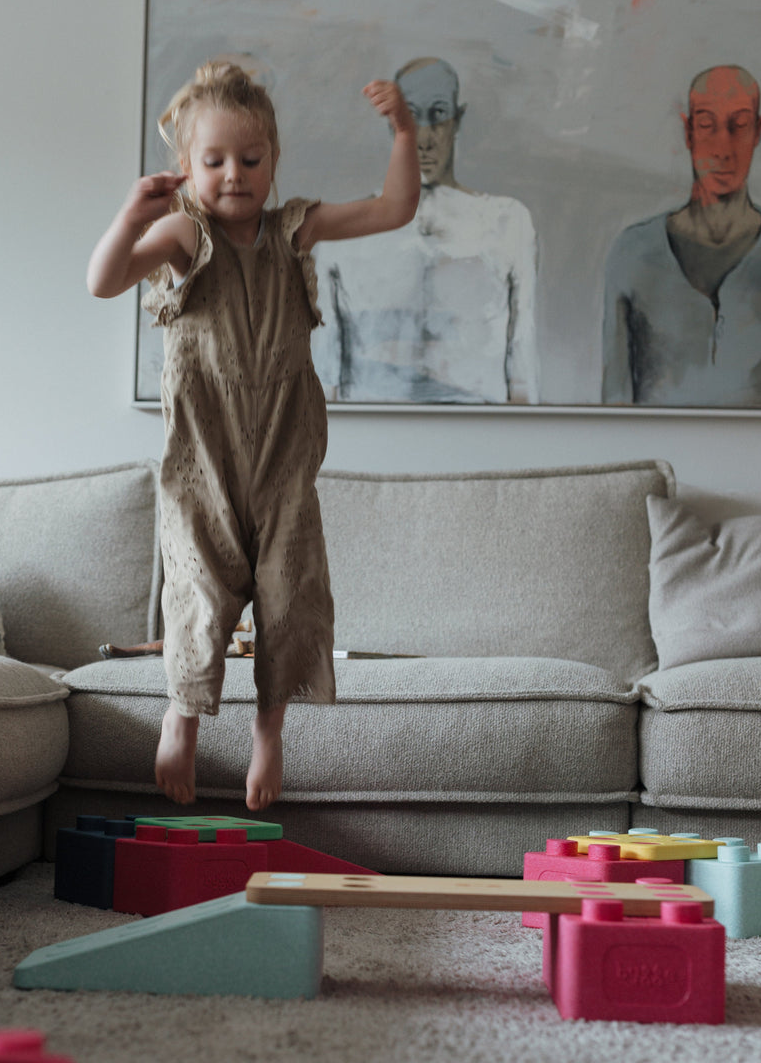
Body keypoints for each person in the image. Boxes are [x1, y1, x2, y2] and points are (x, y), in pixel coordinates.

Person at [87, 59, 419, 811]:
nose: (234, 175)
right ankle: (184, 714)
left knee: (288, 599)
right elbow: (102, 282)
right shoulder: (182, 234)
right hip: (202, 460)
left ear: (273, 161)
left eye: (251, 159)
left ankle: (269, 735)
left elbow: (393, 208)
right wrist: (130, 219)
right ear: (186, 168)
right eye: (214, 161)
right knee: (198, 590)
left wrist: (402, 131)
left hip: (282, 460)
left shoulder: (295, 231)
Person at [312, 56, 538, 405]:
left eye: (439, 115)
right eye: (412, 116)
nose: (425, 138)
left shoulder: (508, 222)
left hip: (481, 437)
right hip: (376, 440)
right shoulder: (342, 237)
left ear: (457, 121)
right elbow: (324, 378)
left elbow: (522, 368)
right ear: (393, 123)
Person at [602, 64, 761, 406]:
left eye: (738, 126)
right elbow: (614, 404)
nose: (722, 148)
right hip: (660, 455)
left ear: (758, 130)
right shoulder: (632, 253)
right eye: (707, 125)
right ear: (688, 131)